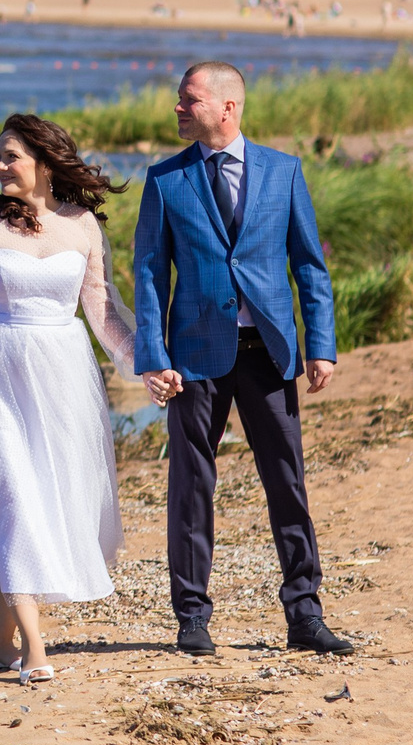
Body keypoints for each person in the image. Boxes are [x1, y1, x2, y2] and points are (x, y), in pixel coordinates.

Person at [134, 61, 354, 657]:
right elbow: (150, 274)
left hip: (270, 355)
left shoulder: (284, 172)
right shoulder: (164, 180)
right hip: (194, 359)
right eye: (179, 100)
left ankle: (305, 615)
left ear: (227, 107)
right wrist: (152, 356)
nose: (178, 108)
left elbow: (310, 265)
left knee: (287, 484)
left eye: (189, 99)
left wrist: (322, 347)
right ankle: (192, 619)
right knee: (190, 488)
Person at [0, 114, 136, 684]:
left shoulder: (83, 226)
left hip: (63, 378)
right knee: (12, 496)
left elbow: (102, 313)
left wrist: (149, 364)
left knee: (42, 497)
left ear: (44, 161)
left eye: (10, 156)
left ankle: (1, 640)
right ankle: (35, 649)